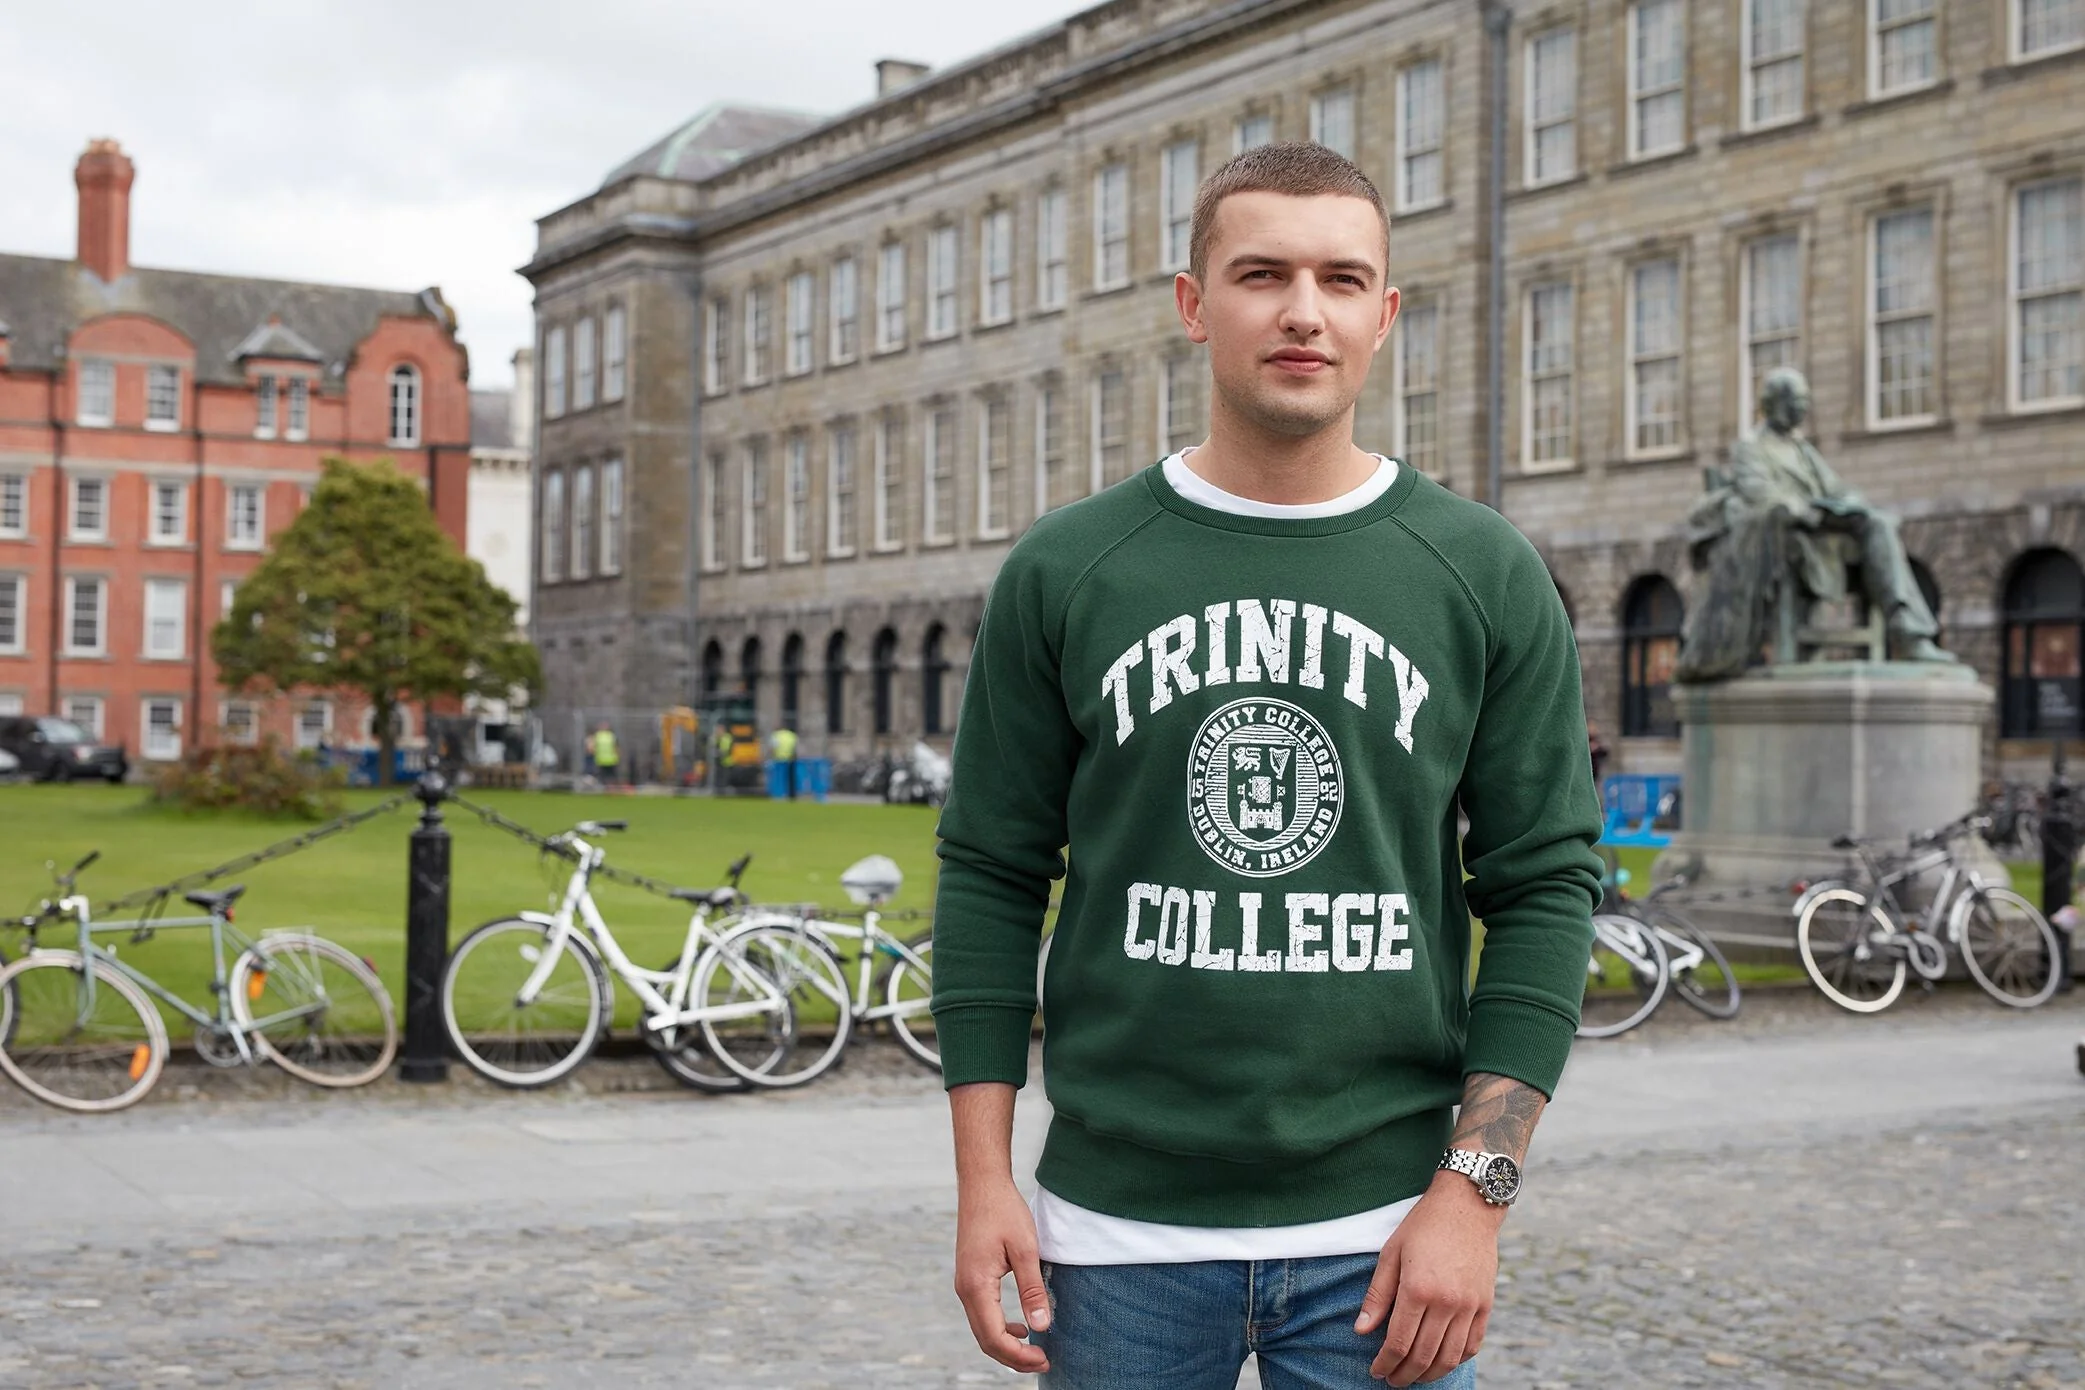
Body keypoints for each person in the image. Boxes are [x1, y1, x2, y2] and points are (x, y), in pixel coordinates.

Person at [932, 143, 1602, 1389]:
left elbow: (1547, 888)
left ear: (1385, 315)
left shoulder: (1482, 571)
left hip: (1389, 1243)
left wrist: (1478, 1193)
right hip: (1116, 1238)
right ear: (1194, 304)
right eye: (1262, 274)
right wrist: (984, 1185)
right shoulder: (1071, 569)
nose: (1305, 310)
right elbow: (988, 873)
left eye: (1344, 279)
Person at [769, 724, 800, 800]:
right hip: (790, 759)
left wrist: (771, 757)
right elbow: (795, 748)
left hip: (778, 759)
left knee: (778, 778)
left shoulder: (776, 735)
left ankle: (778, 794)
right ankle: (790, 794)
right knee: (789, 779)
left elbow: (773, 748)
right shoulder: (792, 735)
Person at [591, 721, 621, 787]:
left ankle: (605, 787)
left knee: (603, 775)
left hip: (602, 759)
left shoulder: (598, 736)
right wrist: (618, 756)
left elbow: (592, 747)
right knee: (610, 775)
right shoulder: (611, 736)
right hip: (610, 759)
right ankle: (611, 788)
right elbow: (616, 748)